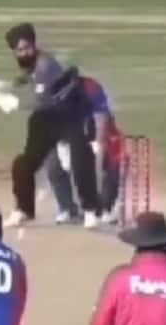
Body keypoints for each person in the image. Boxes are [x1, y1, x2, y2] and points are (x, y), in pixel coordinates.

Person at [0, 23, 101, 228]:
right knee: (23, 164)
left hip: (70, 115)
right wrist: (7, 86)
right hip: (46, 118)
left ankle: (90, 211)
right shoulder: (29, 62)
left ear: (34, 45)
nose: (24, 53)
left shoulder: (45, 65)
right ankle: (23, 210)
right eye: (19, 50)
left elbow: (41, 100)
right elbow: (27, 77)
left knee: (80, 161)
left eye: (27, 48)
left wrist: (12, 103)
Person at [46, 75, 125, 225]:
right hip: (70, 133)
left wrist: (98, 150)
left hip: (99, 130)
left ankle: (106, 207)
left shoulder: (90, 88)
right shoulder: (51, 93)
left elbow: (101, 119)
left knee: (110, 161)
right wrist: (62, 145)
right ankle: (68, 208)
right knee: (54, 165)